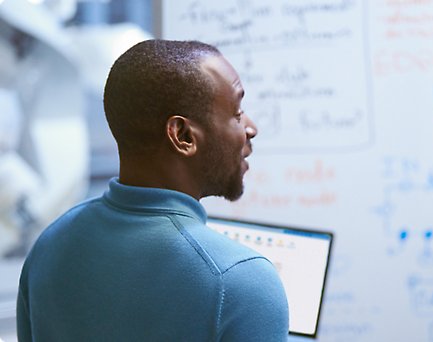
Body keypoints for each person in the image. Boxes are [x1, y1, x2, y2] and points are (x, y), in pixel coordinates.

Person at [16, 39, 289, 341]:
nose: (251, 127)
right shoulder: (241, 281)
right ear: (183, 135)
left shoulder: (51, 244)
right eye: (237, 112)